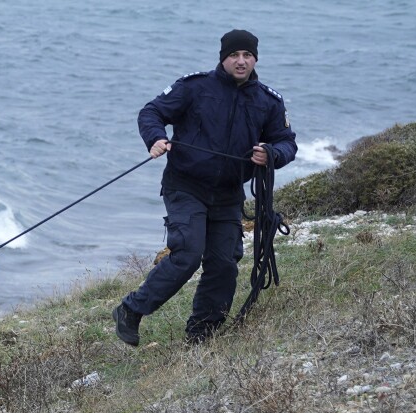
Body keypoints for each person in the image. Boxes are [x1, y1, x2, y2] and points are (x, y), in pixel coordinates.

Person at [114, 29, 297, 346]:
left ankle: (202, 334)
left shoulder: (268, 101)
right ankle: (131, 310)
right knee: (188, 253)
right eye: (234, 55)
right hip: (185, 186)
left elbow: (287, 143)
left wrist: (271, 154)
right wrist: (155, 138)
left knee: (225, 262)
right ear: (223, 57)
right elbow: (152, 112)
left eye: (247, 55)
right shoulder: (194, 87)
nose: (241, 61)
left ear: (255, 58)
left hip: (228, 194)